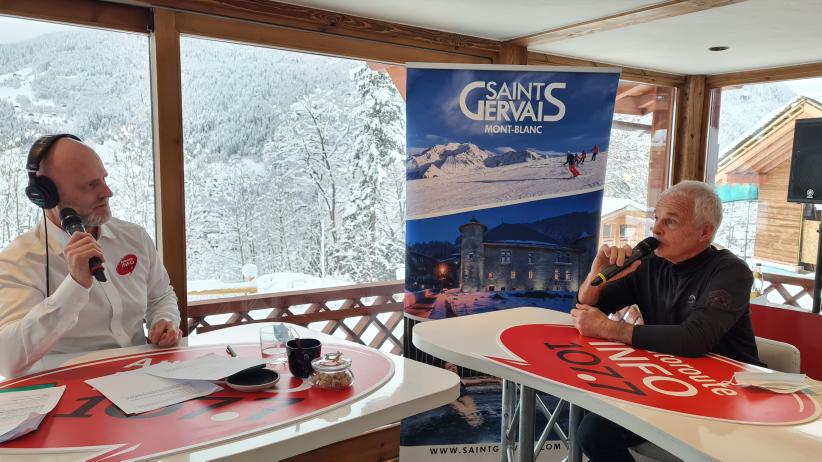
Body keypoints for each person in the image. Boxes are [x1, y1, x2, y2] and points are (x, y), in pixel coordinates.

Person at [571, 180, 762, 462]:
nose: (656, 230)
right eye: (656, 219)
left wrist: (610, 328)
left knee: (595, 431)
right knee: (592, 423)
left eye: (670, 222)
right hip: (673, 383)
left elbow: (694, 339)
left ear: (704, 232)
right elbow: (586, 310)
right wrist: (595, 276)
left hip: (729, 394)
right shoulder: (651, 263)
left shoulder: (731, 272)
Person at [0, 135, 182, 378]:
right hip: (73, 395)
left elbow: (160, 295)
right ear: (46, 195)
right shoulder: (19, 261)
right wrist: (74, 286)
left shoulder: (134, 237)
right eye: (90, 185)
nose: (108, 192)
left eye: (104, 180)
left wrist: (164, 321)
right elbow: (8, 361)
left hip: (147, 380)